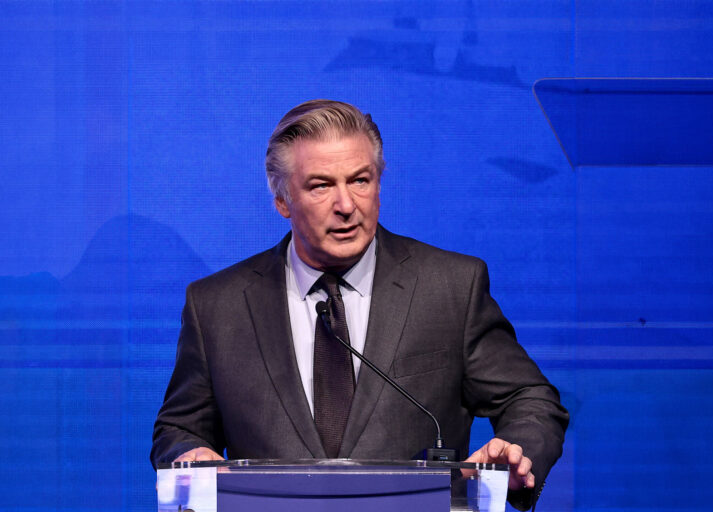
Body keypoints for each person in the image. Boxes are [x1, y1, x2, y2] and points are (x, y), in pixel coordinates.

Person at [151, 99, 569, 510]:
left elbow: (529, 398)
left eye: (360, 180)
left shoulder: (451, 287)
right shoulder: (217, 306)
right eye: (321, 185)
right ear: (282, 201)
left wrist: (516, 452)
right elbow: (178, 428)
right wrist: (190, 457)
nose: (347, 205)